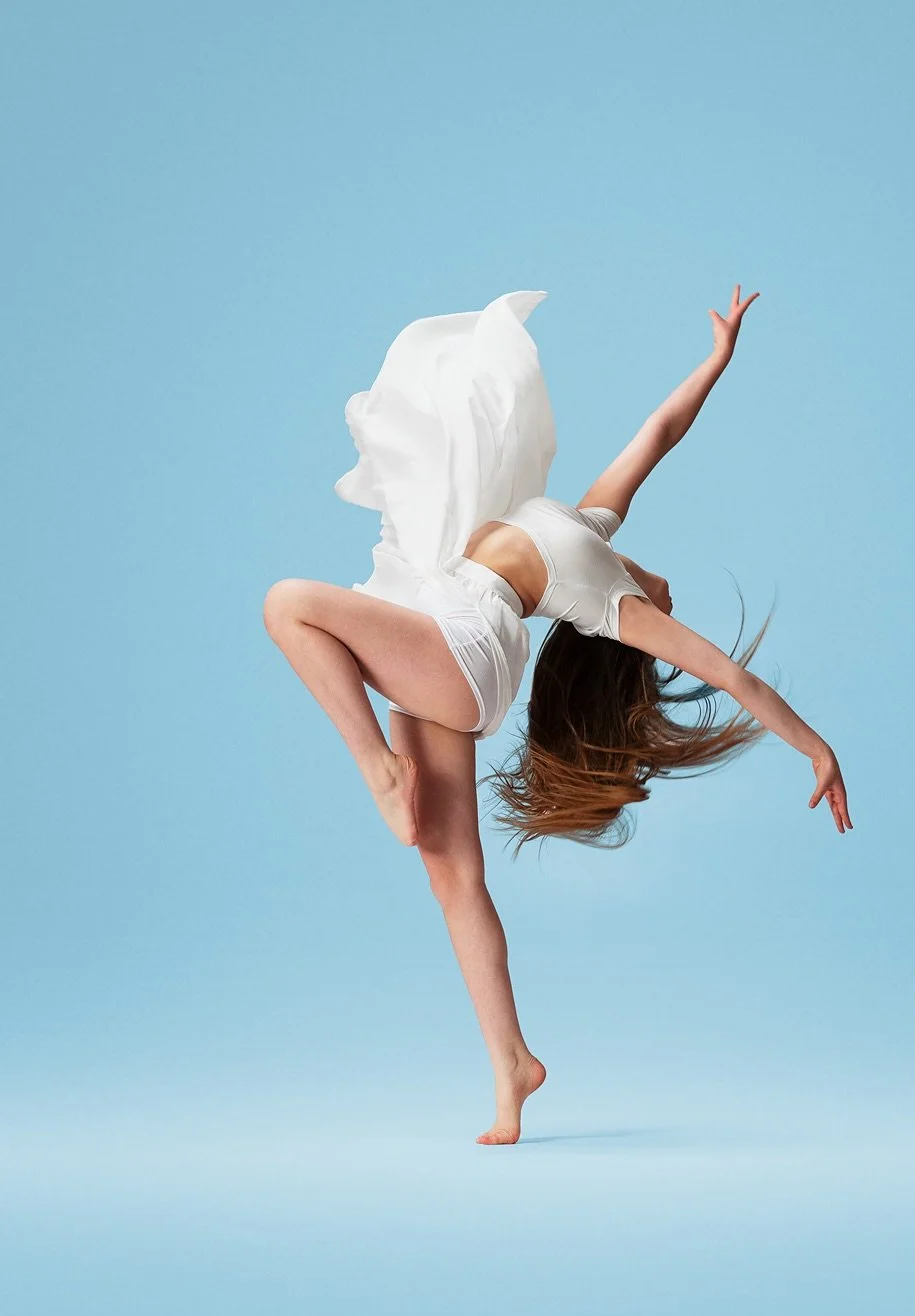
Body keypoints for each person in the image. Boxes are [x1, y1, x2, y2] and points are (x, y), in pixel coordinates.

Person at [263, 284, 853, 1145]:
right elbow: (658, 435)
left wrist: (816, 746)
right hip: (452, 652)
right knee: (452, 876)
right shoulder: (590, 525)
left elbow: (729, 674)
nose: (667, 585)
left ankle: (377, 769)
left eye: (665, 596)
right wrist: (717, 360)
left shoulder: (620, 605)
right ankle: (513, 1068)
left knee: (289, 604)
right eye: (664, 585)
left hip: (460, 655)